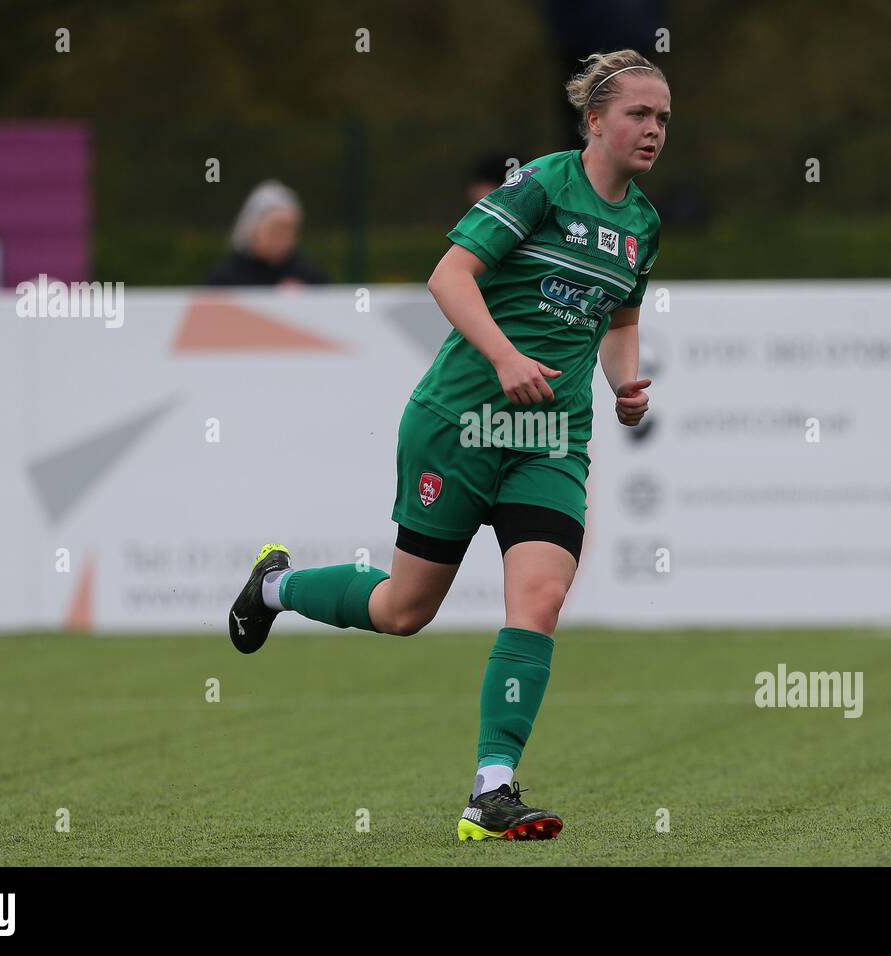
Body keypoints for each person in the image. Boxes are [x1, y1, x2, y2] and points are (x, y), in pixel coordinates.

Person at [227, 49, 668, 842]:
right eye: (639, 113)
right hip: (460, 422)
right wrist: (504, 358)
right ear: (596, 120)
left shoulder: (642, 224)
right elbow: (449, 277)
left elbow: (623, 318)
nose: (654, 129)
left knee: (540, 597)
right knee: (404, 611)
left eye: (664, 118)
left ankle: (491, 790)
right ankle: (275, 587)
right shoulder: (539, 187)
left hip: (550, 440)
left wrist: (624, 385)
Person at [204, 180, 329, 286]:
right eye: (277, 229)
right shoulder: (224, 279)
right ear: (252, 228)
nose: (284, 237)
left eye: (291, 229)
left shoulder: (309, 276)